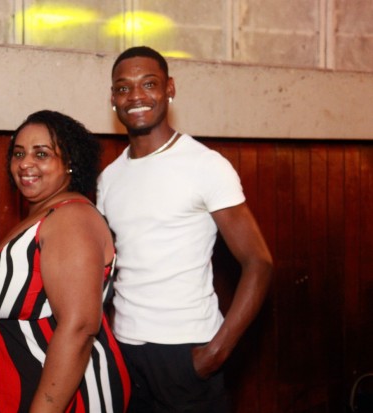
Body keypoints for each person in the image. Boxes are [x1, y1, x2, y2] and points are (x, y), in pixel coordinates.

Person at [96, 46, 273, 412]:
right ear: (113, 98)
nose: (136, 96)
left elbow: (259, 262)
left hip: (187, 352)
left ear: (170, 89)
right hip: (125, 352)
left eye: (149, 84)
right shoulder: (109, 178)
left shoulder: (205, 165)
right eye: (124, 88)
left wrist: (216, 351)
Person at [0, 110, 130, 413]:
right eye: (19, 153)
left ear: (69, 162)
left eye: (41, 153)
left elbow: (79, 327)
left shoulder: (71, 218)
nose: (25, 163)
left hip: (65, 398)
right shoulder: (42, 215)